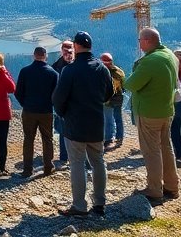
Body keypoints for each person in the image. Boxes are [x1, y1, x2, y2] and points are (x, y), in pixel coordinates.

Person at [53, 32, 114, 218]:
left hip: (75, 124)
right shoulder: (102, 68)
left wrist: (63, 114)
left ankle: (79, 206)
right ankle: (100, 204)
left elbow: (58, 98)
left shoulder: (70, 70)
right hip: (96, 123)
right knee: (98, 162)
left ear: (76, 46)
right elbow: (109, 93)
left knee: (77, 164)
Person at [124, 27, 180, 206]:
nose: (139, 44)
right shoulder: (170, 54)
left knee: (151, 151)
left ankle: (154, 189)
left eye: (140, 40)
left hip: (149, 112)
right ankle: (172, 186)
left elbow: (131, 84)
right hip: (166, 110)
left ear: (147, 41)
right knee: (166, 147)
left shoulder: (150, 61)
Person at [13, 46, 59, 177]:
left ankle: (27, 169)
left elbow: (18, 92)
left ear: (33, 55)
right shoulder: (53, 73)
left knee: (28, 139)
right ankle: (48, 167)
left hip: (29, 111)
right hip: (46, 111)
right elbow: (57, 95)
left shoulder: (25, 71)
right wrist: (51, 105)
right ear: (45, 56)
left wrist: (25, 104)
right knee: (47, 139)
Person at [51, 40, 75, 167]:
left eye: (70, 50)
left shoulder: (78, 64)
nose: (68, 53)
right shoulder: (55, 67)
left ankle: (75, 155)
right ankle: (64, 156)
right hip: (62, 104)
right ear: (61, 51)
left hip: (76, 104)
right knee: (62, 130)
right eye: (65, 50)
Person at [101, 53, 126, 150]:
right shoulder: (119, 72)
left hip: (108, 100)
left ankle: (108, 139)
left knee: (108, 119)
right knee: (117, 118)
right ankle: (119, 137)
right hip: (118, 99)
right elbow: (123, 86)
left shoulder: (103, 72)